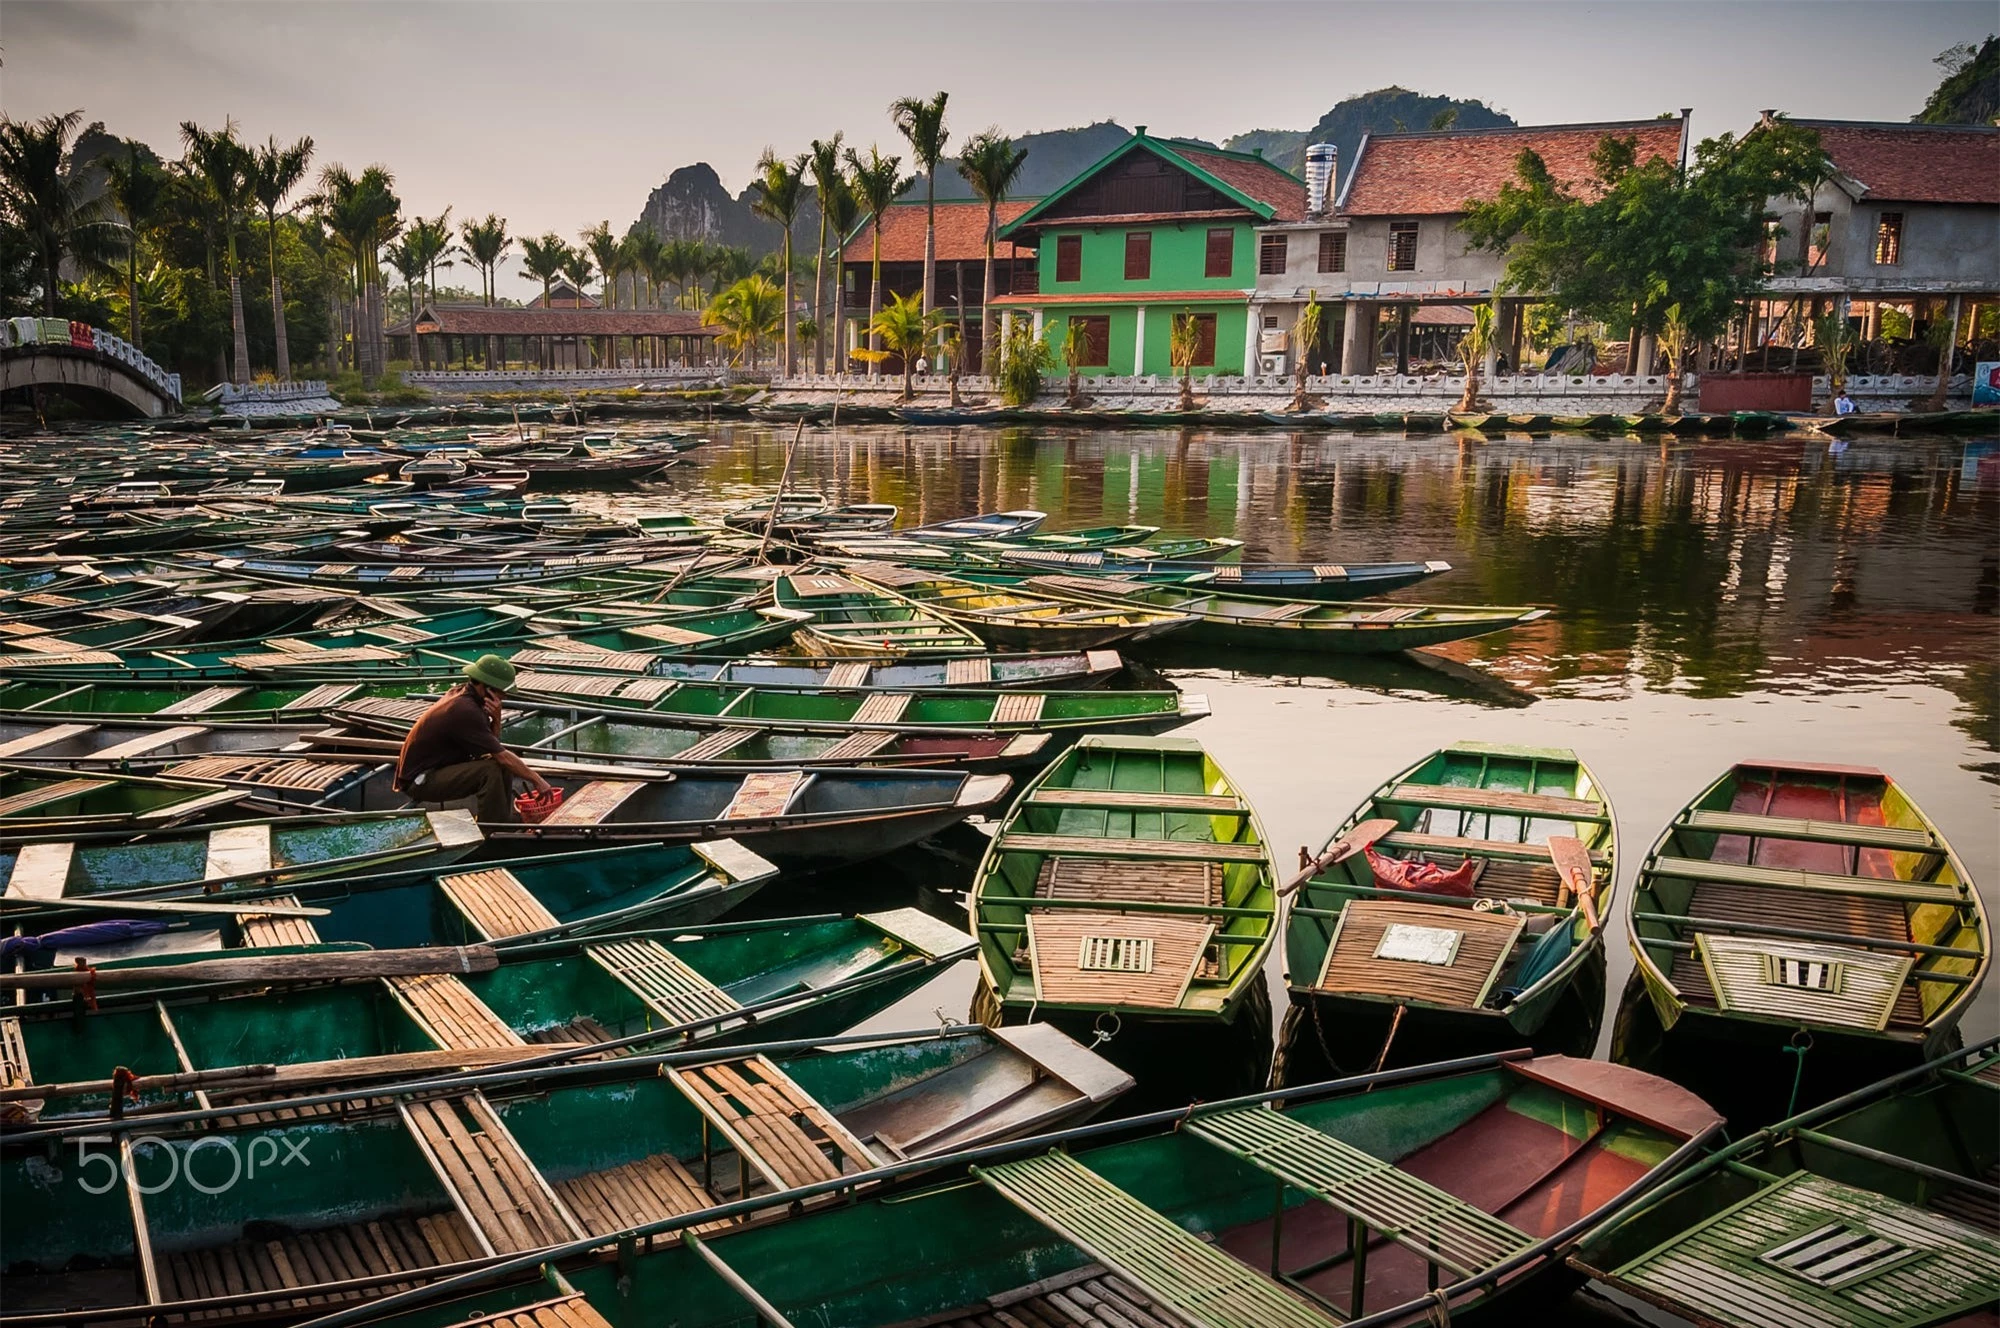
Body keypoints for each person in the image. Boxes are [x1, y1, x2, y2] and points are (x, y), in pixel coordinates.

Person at [393, 655, 551, 822]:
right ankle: (491, 830)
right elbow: (501, 755)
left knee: (501, 766)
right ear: (487, 688)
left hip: (440, 769)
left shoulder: (467, 695)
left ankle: (501, 819)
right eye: (501, 692)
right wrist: (537, 780)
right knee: (491, 770)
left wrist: (496, 719)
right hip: (421, 780)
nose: (504, 697)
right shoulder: (465, 709)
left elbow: (491, 747)